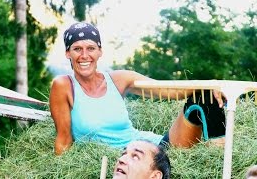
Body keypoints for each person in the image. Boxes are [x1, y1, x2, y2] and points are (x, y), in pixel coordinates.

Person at [49, 22, 226, 155]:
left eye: (91, 48)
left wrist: (209, 84)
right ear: (67, 53)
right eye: (77, 49)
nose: (84, 55)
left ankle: (217, 162)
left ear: (100, 51)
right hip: (127, 162)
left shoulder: (119, 79)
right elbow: (64, 139)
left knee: (206, 97)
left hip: (156, 150)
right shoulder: (63, 85)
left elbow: (168, 91)